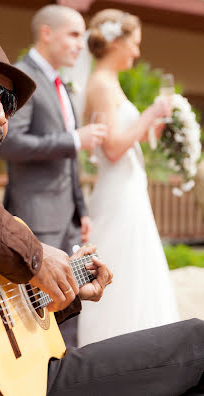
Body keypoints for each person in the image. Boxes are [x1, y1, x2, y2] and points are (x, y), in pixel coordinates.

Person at [0, 28, 203, 396]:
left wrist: (63, 288)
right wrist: (36, 255)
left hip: (12, 377)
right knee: (197, 342)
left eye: (8, 102)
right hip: (22, 384)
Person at [0, 5, 106, 347]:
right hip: (36, 216)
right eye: (74, 34)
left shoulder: (61, 85)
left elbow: (70, 159)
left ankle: (67, 373)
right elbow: (10, 143)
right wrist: (74, 139)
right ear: (47, 33)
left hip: (67, 218)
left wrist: (81, 209)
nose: (80, 44)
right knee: (38, 304)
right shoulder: (22, 77)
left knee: (71, 299)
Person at [73, 9, 180, 346]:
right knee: (124, 269)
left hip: (128, 189)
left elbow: (120, 139)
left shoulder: (109, 81)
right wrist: (149, 113)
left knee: (138, 271)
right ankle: (120, 348)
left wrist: (151, 126)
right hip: (119, 193)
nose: (136, 52)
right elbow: (114, 148)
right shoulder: (102, 83)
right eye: (134, 44)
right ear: (116, 42)